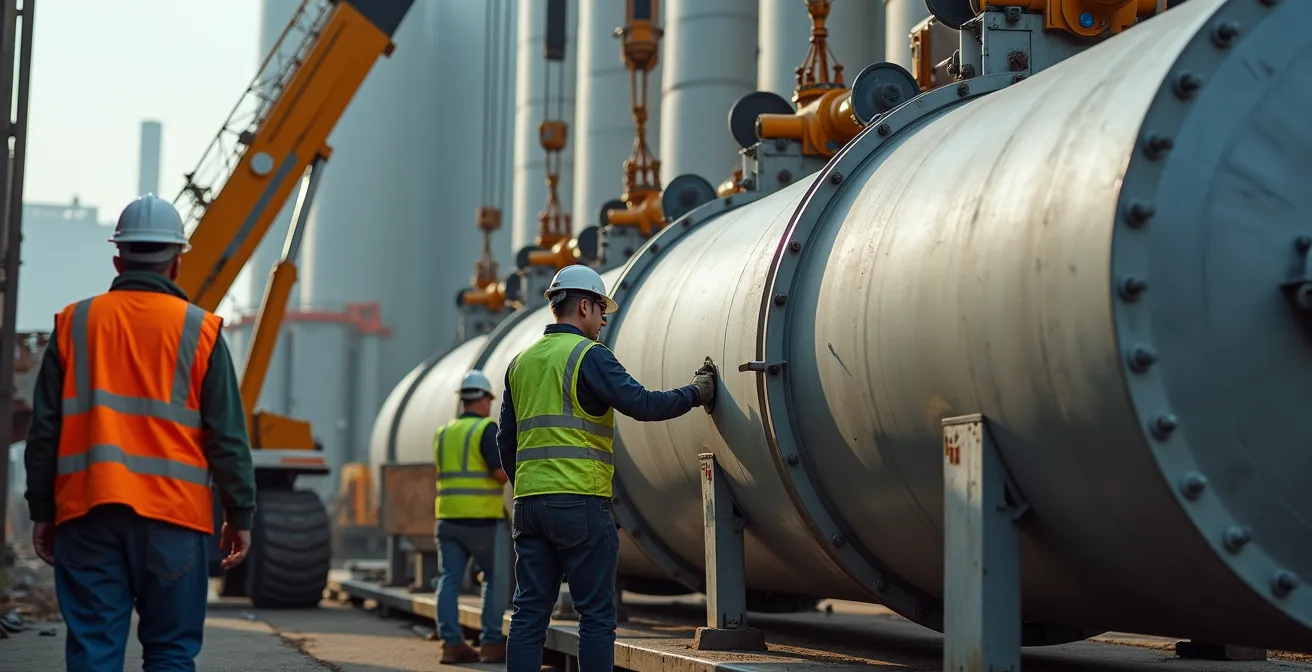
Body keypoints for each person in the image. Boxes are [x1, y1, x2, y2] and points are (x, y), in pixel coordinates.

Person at [23, 194, 257, 672]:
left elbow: (44, 431)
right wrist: (240, 514)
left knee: (94, 651)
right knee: (171, 652)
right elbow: (227, 438)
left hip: (87, 513)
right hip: (174, 517)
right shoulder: (202, 331)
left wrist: (43, 512)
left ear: (118, 258)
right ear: (176, 263)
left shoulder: (74, 324)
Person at [497, 265, 717, 671]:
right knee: (596, 617)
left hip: (528, 505)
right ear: (584, 306)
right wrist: (696, 392)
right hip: (579, 502)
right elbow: (644, 405)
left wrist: (529, 487)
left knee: (529, 614)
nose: (603, 321)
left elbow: (505, 441)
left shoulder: (520, 363)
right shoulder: (589, 356)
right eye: (601, 310)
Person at [433, 369, 510, 664]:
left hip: (447, 518)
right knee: (493, 578)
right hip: (482, 520)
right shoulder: (485, 430)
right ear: (483, 399)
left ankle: (451, 643)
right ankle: (491, 643)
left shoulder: (443, 432)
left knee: (449, 579)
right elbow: (500, 474)